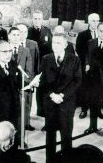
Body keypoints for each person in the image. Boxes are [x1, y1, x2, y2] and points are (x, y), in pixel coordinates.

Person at [37, 34, 82, 163]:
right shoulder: (46, 59)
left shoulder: (74, 60)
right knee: (50, 136)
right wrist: (52, 95)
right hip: (50, 103)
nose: (55, 45)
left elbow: (77, 80)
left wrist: (62, 95)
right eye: (53, 43)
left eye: (58, 43)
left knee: (66, 135)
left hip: (66, 103)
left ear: (65, 45)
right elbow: (42, 80)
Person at [8, 27, 33, 133]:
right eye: (13, 35)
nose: (16, 37)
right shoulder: (5, 49)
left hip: (21, 87)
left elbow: (29, 71)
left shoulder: (26, 50)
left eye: (18, 35)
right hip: (7, 87)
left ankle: (20, 138)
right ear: (9, 36)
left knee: (21, 115)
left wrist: (23, 84)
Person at [27, 10, 52, 118]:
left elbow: (51, 47)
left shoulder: (47, 31)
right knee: (30, 86)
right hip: (31, 62)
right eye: (35, 18)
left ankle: (40, 110)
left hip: (43, 63)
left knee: (42, 87)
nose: (37, 20)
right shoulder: (28, 31)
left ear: (42, 19)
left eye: (39, 18)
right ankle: (27, 113)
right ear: (32, 19)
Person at [76, 13, 101, 119]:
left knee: (98, 88)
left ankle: (98, 110)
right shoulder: (82, 35)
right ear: (89, 21)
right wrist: (87, 64)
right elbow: (79, 51)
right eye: (93, 21)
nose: (96, 23)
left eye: (97, 21)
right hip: (86, 66)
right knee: (85, 88)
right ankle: (84, 109)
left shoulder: (101, 33)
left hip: (99, 67)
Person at [83, 22, 103, 135]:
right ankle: (92, 126)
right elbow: (87, 55)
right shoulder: (91, 42)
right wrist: (86, 64)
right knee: (94, 103)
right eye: (101, 31)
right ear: (97, 30)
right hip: (94, 78)